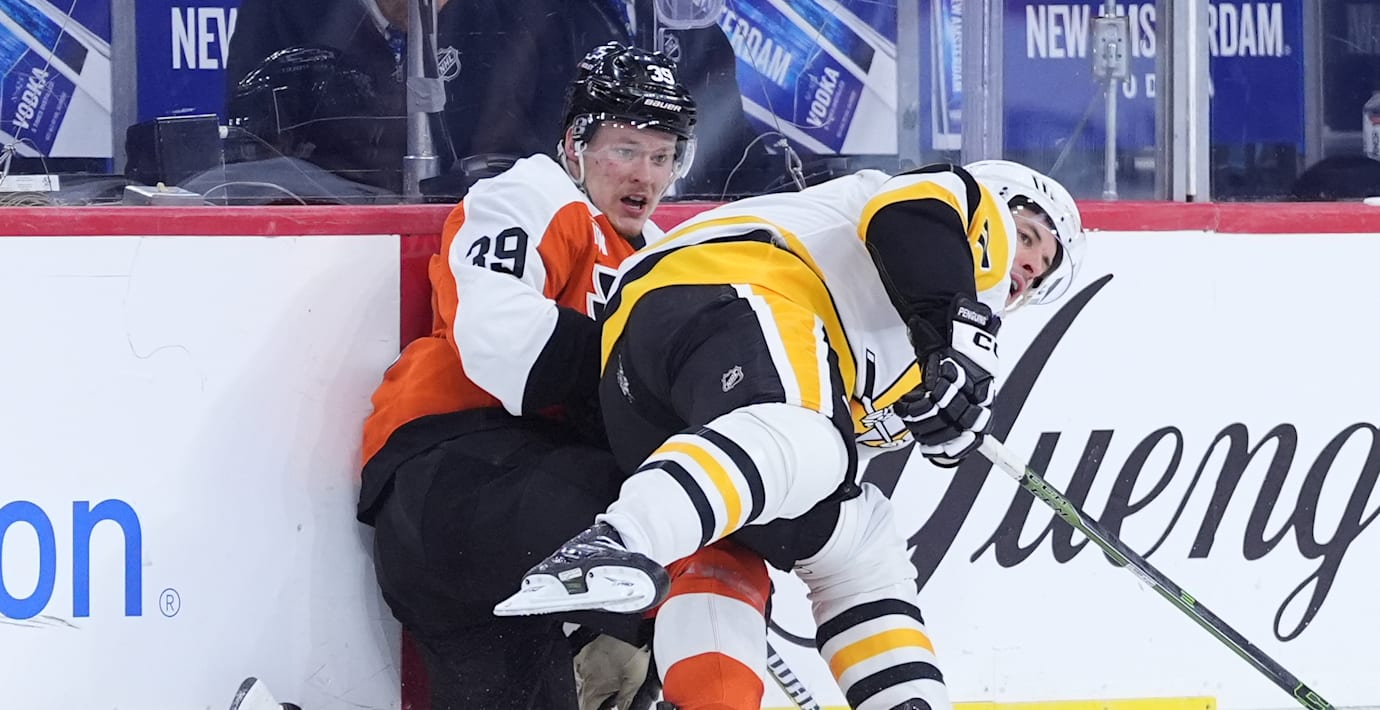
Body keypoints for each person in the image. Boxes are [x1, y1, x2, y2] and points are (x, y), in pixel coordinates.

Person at [496, 159, 1086, 710]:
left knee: (854, 545)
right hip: (727, 288)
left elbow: (805, 474)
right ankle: (619, 541)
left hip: (653, 405)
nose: (1027, 266)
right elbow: (909, 217)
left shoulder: (909, 361)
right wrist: (954, 344)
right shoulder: (957, 204)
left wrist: (938, 394)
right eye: (1028, 237)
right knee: (813, 439)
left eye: (1040, 271)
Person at [355, 42, 696, 710]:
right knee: (688, 504)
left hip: (509, 529)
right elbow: (503, 341)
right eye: (626, 150)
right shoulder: (529, 195)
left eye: (662, 157)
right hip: (451, 471)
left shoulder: (660, 257)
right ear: (575, 145)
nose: (646, 175)